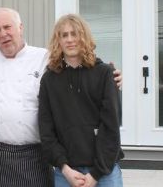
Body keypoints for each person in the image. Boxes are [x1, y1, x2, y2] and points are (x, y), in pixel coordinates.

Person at [0, 8, 122, 187]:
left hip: (36, 154)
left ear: (20, 27)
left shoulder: (44, 58)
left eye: (8, 27)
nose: (3, 34)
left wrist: (112, 76)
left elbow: (83, 69)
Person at [38, 14, 124, 187]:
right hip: (66, 173)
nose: (70, 40)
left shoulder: (105, 73)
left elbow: (111, 127)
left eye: (74, 34)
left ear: (83, 37)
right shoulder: (49, 80)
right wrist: (64, 168)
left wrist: (96, 174)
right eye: (64, 35)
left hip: (105, 172)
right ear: (58, 41)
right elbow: (46, 130)